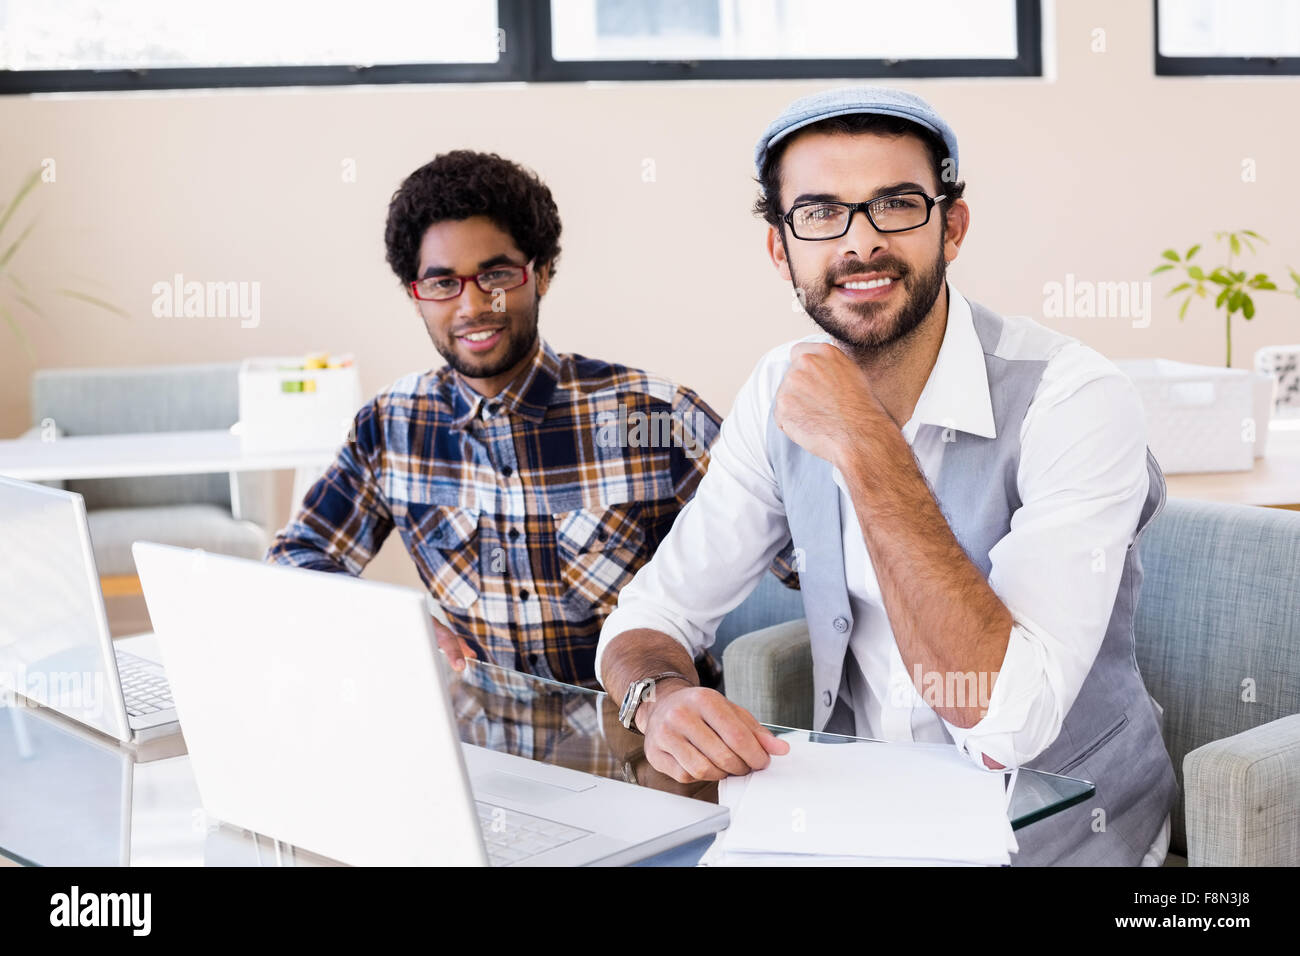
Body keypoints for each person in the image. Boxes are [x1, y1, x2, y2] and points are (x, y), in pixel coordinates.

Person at [595, 87, 1177, 865]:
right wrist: (658, 699)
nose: (861, 242)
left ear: (953, 227)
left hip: (1064, 825)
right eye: (820, 213)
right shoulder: (779, 390)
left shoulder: (1075, 398)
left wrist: (867, 445)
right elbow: (653, 613)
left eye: (897, 204)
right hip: (864, 815)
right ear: (781, 250)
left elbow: (1007, 724)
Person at [267, 150, 789, 688]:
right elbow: (295, 561)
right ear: (415, 295)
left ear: (540, 274)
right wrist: (392, 624)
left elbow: (811, 555)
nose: (472, 306)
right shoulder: (391, 428)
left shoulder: (654, 417)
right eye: (443, 283)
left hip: (646, 740)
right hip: (481, 748)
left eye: (495, 274)